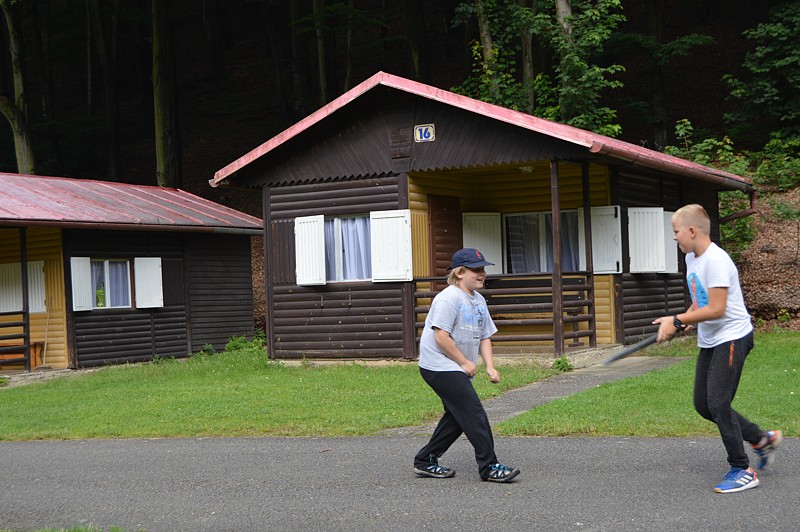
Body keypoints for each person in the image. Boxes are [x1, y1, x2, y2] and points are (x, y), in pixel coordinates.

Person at [653, 204, 782, 494]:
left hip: (733, 337)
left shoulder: (716, 260)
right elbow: (702, 299)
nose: (675, 238)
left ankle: (742, 468)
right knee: (704, 404)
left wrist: (676, 320)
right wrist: (687, 317)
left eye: (676, 232)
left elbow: (718, 308)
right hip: (712, 338)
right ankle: (761, 439)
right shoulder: (692, 258)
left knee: (719, 403)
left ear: (692, 230)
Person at [413, 248, 520, 483]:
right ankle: (489, 467)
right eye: (477, 270)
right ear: (460, 272)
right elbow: (441, 336)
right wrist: (464, 362)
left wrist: (490, 367)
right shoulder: (448, 298)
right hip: (439, 365)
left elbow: (485, 336)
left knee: (457, 417)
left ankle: (425, 460)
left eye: (483, 270)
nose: (482, 274)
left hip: (456, 366)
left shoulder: (478, 300)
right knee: (473, 413)